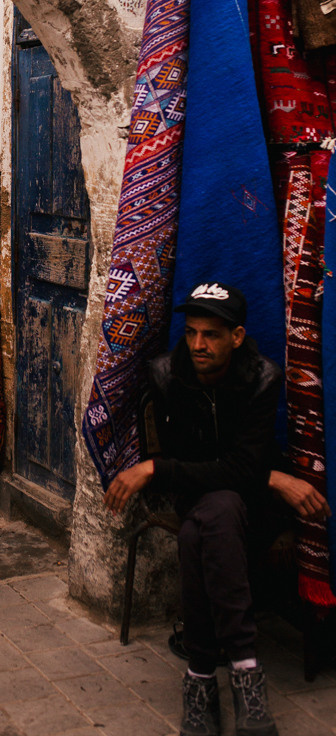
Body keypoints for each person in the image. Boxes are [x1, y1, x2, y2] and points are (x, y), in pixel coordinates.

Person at [104, 281, 330, 736]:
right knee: (212, 513)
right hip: (205, 499)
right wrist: (269, 476)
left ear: (237, 337)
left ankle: (200, 678)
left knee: (204, 525)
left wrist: (154, 468)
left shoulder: (262, 378)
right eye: (191, 332)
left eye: (210, 334)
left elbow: (236, 468)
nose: (197, 345)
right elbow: (194, 466)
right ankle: (246, 672)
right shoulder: (167, 375)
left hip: (251, 504)